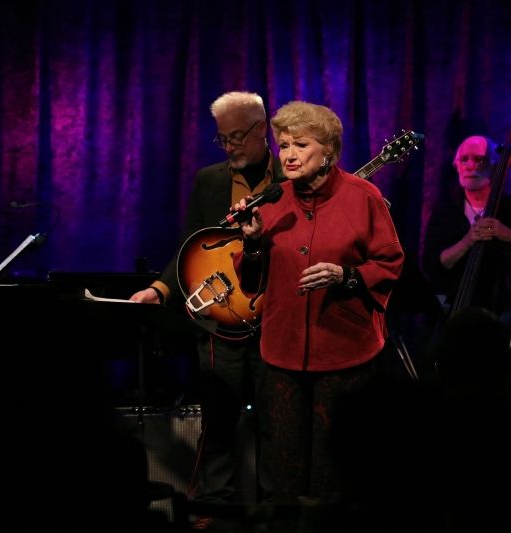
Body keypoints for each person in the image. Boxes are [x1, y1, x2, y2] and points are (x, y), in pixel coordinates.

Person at [232, 100, 404, 503]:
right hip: (283, 353)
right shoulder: (271, 201)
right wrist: (252, 243)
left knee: (335, 473)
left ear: (328, 151)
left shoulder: (364, 196)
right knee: (285, 472)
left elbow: (390, 262)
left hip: (345, 353)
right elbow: (251, 283)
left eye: (301, 145)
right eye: (284, 145)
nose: (289, 155)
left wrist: (346, 275)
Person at [130, 91, 284, 515]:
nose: (230, 146)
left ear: (262, 130)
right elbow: (189, 247)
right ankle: (211, 512)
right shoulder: (210, 180)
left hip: (274, 317)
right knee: (217, 420)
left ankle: (277, 511)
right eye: (223, 139)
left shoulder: (290, 178)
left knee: (276, 422)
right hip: (222, 317)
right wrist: (160, 289)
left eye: (237, 137)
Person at [421, 135, 511, 323]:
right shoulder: (444, 212)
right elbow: (434, 264)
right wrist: (467, 241)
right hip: (454, 307)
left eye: (479, 159)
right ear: (456, 165)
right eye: (464, 159)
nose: (470, 166)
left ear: (495, 166)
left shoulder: (508, 207)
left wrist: (507, 234)